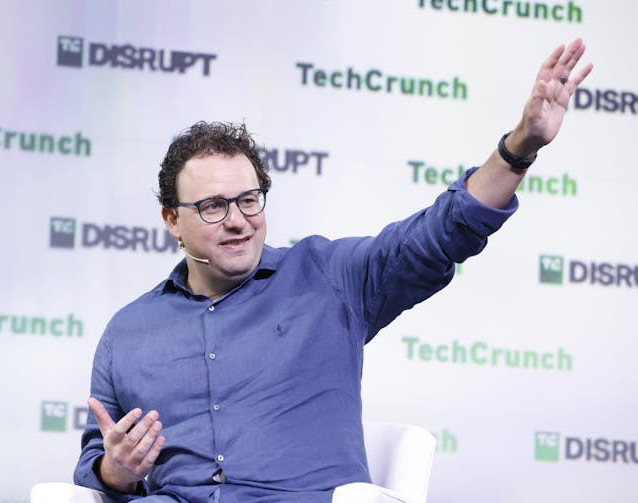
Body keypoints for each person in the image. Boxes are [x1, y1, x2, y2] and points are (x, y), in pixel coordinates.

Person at [74, 39, 592, 502]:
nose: (237, 222)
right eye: (213, 206)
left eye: (249, 200)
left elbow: (442, 232)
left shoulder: (330, 278)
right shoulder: (128, 333)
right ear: (172, 221)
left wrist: (520, 145)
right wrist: (115, 471)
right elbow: (95, 472)